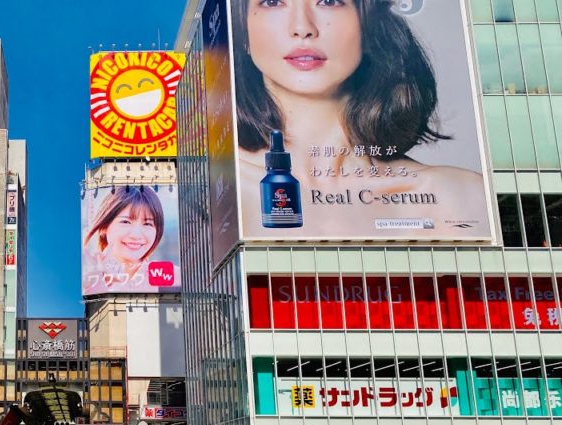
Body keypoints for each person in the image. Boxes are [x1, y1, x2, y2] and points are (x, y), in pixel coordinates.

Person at [231, 0, 486, 234]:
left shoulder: (459, 197)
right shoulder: (216, 200)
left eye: (329, 1)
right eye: (272, 1)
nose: (302, 28)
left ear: (368, 24)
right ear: (243, 33)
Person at [82, 185, 173, 293]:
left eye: (147, 223)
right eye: (125, 222)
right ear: (104, 226)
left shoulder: (170, 276)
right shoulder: (84, 278)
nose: (136, 235)